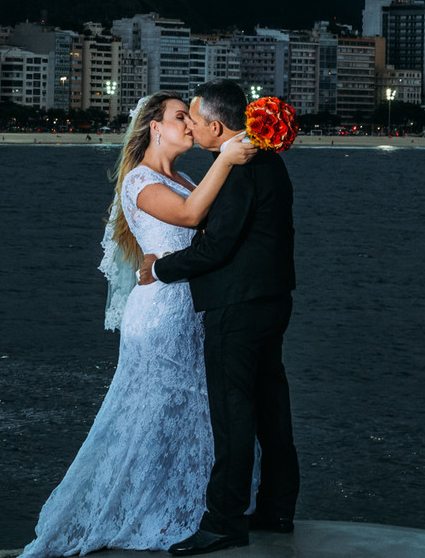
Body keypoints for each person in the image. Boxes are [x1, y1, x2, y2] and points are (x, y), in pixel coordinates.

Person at [19, 91, 256, 558]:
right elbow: (190, 216)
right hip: (161, 316)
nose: (190, 125)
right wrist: (226, 158)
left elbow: (203, 231)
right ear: (154, 127)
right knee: (151, 412)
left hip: (190, 311)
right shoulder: (139, 182)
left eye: (190, 118)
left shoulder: (184, 177)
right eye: (179, 117)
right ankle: (133, 510)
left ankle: (190, 508)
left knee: (191, 413)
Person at [140, 79, 300, 556]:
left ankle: (224, 521)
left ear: (215, 125)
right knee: (271, 407)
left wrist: (160, 268)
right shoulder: (269, 159)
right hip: (273, 299)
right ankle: (276, 508)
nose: (188, 123)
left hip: (238, 304)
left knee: (232, 414)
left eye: (192, 117)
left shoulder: (235, 168)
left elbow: (216, 247)